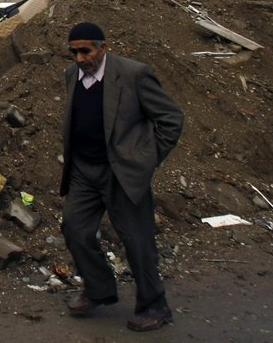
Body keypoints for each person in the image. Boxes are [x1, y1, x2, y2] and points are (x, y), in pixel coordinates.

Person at [60, 22, 184, 332]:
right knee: (75, 228)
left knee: (137, 241)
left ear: (103, 47)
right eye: (74, 52)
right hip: (83, 171)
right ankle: (99, 289)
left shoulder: (133, 75)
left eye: (85, 51)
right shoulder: (72, 75)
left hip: (122, 171)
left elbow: (171, 118)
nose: (79, 59)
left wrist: (146, 159)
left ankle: (155, 306)